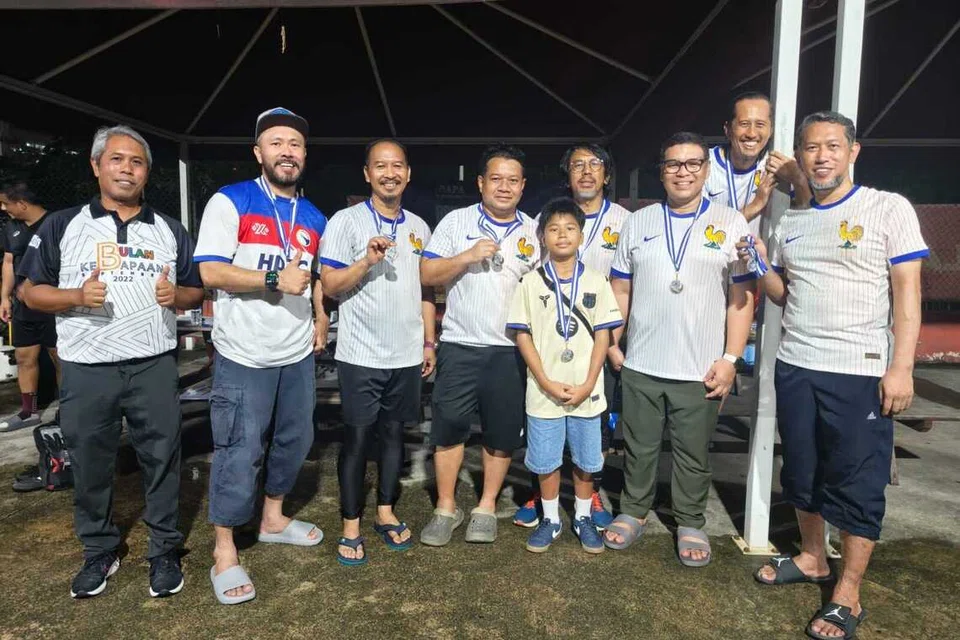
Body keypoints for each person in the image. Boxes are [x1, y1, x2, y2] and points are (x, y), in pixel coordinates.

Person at [745, 111, 928, 640]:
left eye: (831, 146)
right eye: (810, 148)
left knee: (856, 479)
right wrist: (761, 263)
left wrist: (901, 367)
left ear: (853, 151)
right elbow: (784, 294)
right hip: (797, 364)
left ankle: (848, 590)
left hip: (861, 372)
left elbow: (907, 296)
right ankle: (811, 558)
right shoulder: (790, 220)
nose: (820, 156)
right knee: (802, 471)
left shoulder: (887, 208)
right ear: (799, 157)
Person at [18, 125, 204, 599]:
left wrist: (176, 296)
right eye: (117, 160)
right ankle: (99, 549)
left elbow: (194, 289)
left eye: (137, 162)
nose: (127, 169)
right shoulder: (62, 224)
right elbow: (30, 292)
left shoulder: (169, 229)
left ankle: (164, 549)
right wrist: (75, 295)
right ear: (97, 165)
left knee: (162, 458)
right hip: (87, 367)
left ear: (147, 173)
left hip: (153, 365)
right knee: (91, 462)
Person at [194, 107, 329, 605]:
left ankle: (272, 518)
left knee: (297, 439)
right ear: (259, 152)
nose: (286, 152)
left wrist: (318, 312)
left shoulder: (313, 215)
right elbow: (209, 272)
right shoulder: (231, 201)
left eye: (295, 143)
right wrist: (273, 280)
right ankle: (225, 551)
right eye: (276, 143)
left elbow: (310, 276)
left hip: (294, 351)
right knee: (239, 448)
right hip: (243, 352)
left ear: (304, 154)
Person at [605, 132, 755, 566]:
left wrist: (730, 359)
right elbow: (621, 287)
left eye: (692, 164)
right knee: (639, 446)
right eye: (673, 164)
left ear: (706, 171)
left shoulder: (730, 223)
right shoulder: (639, 222)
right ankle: (633, 510)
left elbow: (740, 299)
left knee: (693, 452)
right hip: (643, 362)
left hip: (700, 366)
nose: (683, 172)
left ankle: (690, 519)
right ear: (662, 171)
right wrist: (615, 342)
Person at [319, 138, 436, 566]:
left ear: (408, 173)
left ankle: (386, 512)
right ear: (367, 173)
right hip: (361, 354)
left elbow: (426, 290)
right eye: (380, 166)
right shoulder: (345, 221)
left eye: (398, 165)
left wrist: (428, 341)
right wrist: (366, 261)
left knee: (393, 437)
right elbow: (329, 285)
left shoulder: (420, 227)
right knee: (356, 439)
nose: (390, 173)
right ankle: (351, 523)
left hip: (405, 354)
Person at [418, 143, 540, 546]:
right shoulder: (457, 221)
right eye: (496, 179)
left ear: (522, 186)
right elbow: (427, 271)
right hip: (460, 344)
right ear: (481, 182)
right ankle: (446, 508)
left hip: (510, 350)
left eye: (512, 180)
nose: (503, 187)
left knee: (501, 434)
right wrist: (467, 256)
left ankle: (486, 506)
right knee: (449, 428)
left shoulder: (533, 230)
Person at [515, 144, 631, 531]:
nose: (586, 172)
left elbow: (627, 282)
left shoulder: (625, 221)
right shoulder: (543, 220)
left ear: (607, 174)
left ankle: (588, 498)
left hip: (597, 344)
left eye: (594, 164)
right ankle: (544, 500)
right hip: (549, 341)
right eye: (577, 165)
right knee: (543, 432)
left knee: (592, 435)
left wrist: (615, 343)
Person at [704, 92, 811, 235]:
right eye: (744, 124)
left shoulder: (782, 164)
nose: (752, 133)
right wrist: (757, 204)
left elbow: (811, 221)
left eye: (760, 124)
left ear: (771, 130)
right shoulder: (704, 164)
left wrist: (799, 180)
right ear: (728, 129)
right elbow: (700, 233)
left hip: (763, 256)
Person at [0, 178, 59, 432]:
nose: (3, 209)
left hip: (53, 303)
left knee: (60, 358)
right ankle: (29, 411)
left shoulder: (57, 224)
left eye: (5, 203)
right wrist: (5, 296)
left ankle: (68, 410)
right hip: (23, 306)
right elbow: (8, 262)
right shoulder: (11, 228)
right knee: (25, 356)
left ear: (22, 203)